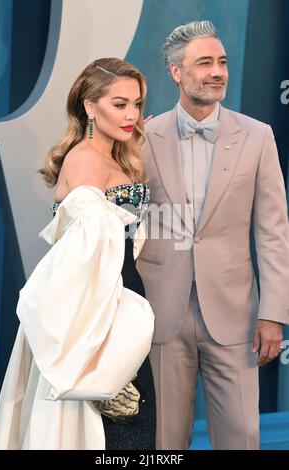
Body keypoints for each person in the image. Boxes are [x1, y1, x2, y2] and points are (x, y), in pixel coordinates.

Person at [136, 20, 289, 450]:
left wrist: (273, 312)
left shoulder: (258, 136)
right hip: (161, 312)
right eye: (204, 63)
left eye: (222, 61)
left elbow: (274, 231)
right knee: (163, 442)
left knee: (242, 437)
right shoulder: (142, 136)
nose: (217, 71)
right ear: (176, 72)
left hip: (236, 314)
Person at [0, 58, 156, 450]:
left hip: (121, 299)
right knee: (113, 436)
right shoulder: (85, 159)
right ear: (89, 106)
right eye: (119, 104)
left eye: (137, 104)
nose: (131, 114)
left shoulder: (116, 158)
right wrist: (94, 347)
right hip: (96, 313)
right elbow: (81, 264)